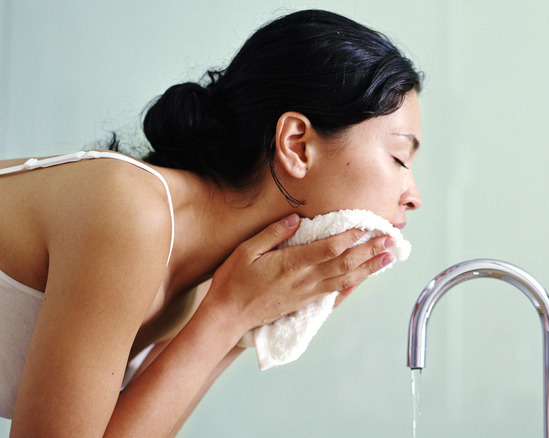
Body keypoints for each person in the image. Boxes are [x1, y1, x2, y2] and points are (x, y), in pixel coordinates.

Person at [0, 9, 422, 436]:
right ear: (297, 145)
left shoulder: (206, 281)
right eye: (399, 158)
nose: (414, 197)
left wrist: (247, 322)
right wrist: (229, 314)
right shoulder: (130, 211)